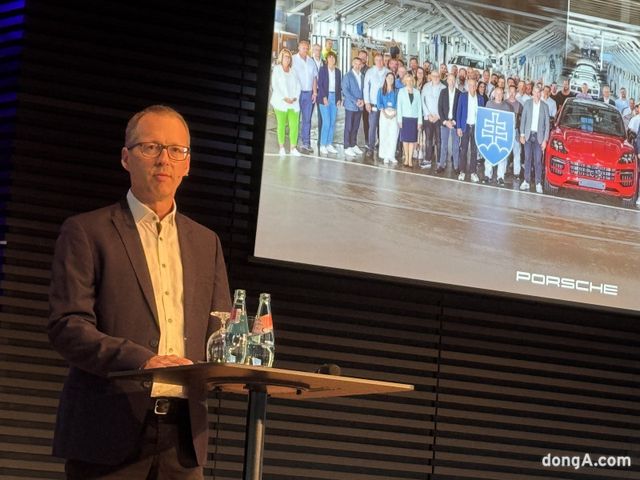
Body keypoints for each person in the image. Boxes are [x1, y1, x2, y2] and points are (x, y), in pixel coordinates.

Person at [48, 105, 232, 479]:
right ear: (125, 157)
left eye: (176, 150)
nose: (164, 159)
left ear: (187, 165)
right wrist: (142, 360)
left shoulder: (206, 242)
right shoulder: (87, 231)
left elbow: (221, 329)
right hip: (106, 433)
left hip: (183, 438)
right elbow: (67, 326)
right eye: (151, 147)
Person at [270, 48, 302, 156]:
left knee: (294, 125)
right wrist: (284, 98)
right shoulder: (277, 69)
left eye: (289, 57)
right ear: (281, 58)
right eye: (286, 57)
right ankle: (281, 147)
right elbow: (275, 85)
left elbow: (298, 85)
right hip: (280, 103)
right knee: (281, 125)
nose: (288, 59)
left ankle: (293, 148)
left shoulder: (293, 71)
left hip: (293, 103)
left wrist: (295, 97)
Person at [520, 86, 550, 193]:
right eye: (535, 92)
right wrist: (522, 134)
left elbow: (547, 125)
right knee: (527, 159)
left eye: (538, 92)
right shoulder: (527, 103)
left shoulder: (545, 106)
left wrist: (545, 140)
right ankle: (526, 181)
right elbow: (523, 120)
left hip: (539, 137)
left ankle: (538, 183)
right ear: (532, 92)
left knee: (538, 160)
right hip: (528, 136)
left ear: (541, 93)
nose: (537, 94)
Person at [293, 40, 318, 154]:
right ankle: (293, 143)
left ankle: (306, 143)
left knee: (307, 120)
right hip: (297, 94)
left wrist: (315, 92)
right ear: (299, 48)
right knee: (295, 119)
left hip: (308, 94)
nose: (305, 50)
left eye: (307, 48)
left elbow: (314, 77)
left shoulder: (311, 61)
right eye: (303, 48)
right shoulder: (293, 59)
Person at [483, 87, 513, 186]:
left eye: (501, 94)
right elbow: (485, 118)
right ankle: (487, 175)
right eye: (497, 94)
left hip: (501, 135)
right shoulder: (489, 104)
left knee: (502, 156)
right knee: (488, 154)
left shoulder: (507, 107)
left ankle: (500, 177)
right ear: (494, 94)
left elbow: (508, 122)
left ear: (503, 95)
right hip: (490, 133)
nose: (499, 96)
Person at [456, 78, 484, 182]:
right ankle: (462, 171)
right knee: (463, 150)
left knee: (474, 151)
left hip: (475, 127)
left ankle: (473, 172)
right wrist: (458, 127)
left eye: (474, 85)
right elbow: (458, 112)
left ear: (476, 86)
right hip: (465, 126)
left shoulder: (480, 99)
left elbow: (482, 115)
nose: (472, 87)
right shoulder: (463, 96)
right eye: (470, 85)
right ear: (468, 86)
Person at [363, 52, 389, 158]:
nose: (379, 62)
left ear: (383, 60)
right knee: (372, 127)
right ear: (374, 61)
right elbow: (366, 88)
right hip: (373, 104)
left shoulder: (388, 72)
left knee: (383, 127)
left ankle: (383, 148)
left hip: (385, 105)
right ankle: (371, 148)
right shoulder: (369, 72)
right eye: (377, 60)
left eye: (380, 60)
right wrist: (367, 102)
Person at [317, 51, 342, 155]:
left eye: (333, 57)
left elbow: (339, 86)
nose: (331, 59)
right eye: (329, 57)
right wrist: (324, 97)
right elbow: (320, 84)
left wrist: (339, 98)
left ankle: (329, 144)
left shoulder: (338, 71)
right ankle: (323, 145)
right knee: (326, 122)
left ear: (335, 59)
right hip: (324, 98)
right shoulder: (322, 70)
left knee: (332, 122)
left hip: (334, 97)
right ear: (327, 59)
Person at [397, 73, 422, 167]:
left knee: (412, 140)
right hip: (404, 118)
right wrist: (399, 120)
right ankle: (406, 159)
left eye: (411, 80)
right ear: (405, 81)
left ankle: (410, 159)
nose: (409, 82)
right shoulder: (401, 91)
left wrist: (420, 122)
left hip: (414, 119)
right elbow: (399, 106)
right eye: (407, 80)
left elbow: (419, 108)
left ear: (413, 81)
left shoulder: (417, 92)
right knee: (405, 140)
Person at [437, 73, 461, 174]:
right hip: (445, 123)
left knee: (455, 146)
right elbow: (439, 108)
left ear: (455, 81)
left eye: (453, 80)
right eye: (449, 80)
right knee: (444, 145)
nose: (451, 82)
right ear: (447, 81)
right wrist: (445, 121)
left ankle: (456, 166)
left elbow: (459, 109)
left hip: (455, 123)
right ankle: (441, 165)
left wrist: (454, 121)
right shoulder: (443, 92)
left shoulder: (459, 93)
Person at [342, 56, 365, 157]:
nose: (357, 66)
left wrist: (363, 100)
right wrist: (356, 101)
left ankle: (353, 144)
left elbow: (364, 90)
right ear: (352, 64)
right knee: (349, 126)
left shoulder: (362, 76)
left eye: (359, 64)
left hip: (360, 106)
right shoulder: (347, 76)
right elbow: (345, 91)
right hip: (351, 106)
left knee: (356, 126)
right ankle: (347, 146)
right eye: (356, 64)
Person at [422, 69, 445, 169]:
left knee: (439, 140)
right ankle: (428, 159)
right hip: (428, 118)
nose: (435, 78)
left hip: (439, 118)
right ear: (430, 76)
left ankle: (439, 161)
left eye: (437, 76)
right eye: (433, 76)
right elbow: (423, 101)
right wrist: (428, 115)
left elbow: (445, 104)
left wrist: (438, 116)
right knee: (428, 139)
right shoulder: (426, 86)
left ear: (439, 77)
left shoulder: (443, 88)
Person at [377, 72, 399, 164]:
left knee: (393, 135)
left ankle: (391, 155)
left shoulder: (397, 91)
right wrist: (385, 113)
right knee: (384, 134)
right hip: (384, 114)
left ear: (394, 80)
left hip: (394, 114)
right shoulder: (381, 90)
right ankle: (385, 155)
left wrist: (394, 113)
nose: (390, 79)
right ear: (385, 79)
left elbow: (398, 103)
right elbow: (379, 103)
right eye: (388, 78)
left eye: (392, 78)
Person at [506, 85, 523, 180]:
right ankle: (503, 171)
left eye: (514, 92)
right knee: (505, 152)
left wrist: (521, 133)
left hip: (516, 131)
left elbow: (522, 120)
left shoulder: (519, 105)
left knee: (517, 152)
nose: (512, 94)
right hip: (506, 131)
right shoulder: (504, 103)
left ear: (516, 93)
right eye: (510, 92)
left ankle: (517, 173)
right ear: (508, 92)